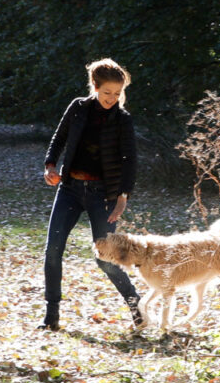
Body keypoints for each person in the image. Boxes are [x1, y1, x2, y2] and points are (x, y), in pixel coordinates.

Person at [39, 58, 143, 331]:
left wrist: (123, 197)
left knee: (105, 258)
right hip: (70, 190)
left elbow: (130, 160)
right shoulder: (78, 108)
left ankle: (137, 306)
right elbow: (58, 139)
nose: (112, 98)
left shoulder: (122, 120)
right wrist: (50, 165)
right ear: (95, 87)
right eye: (107, 92)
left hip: (104, 195)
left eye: (117, 94)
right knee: (52, 251)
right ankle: (52, 316)